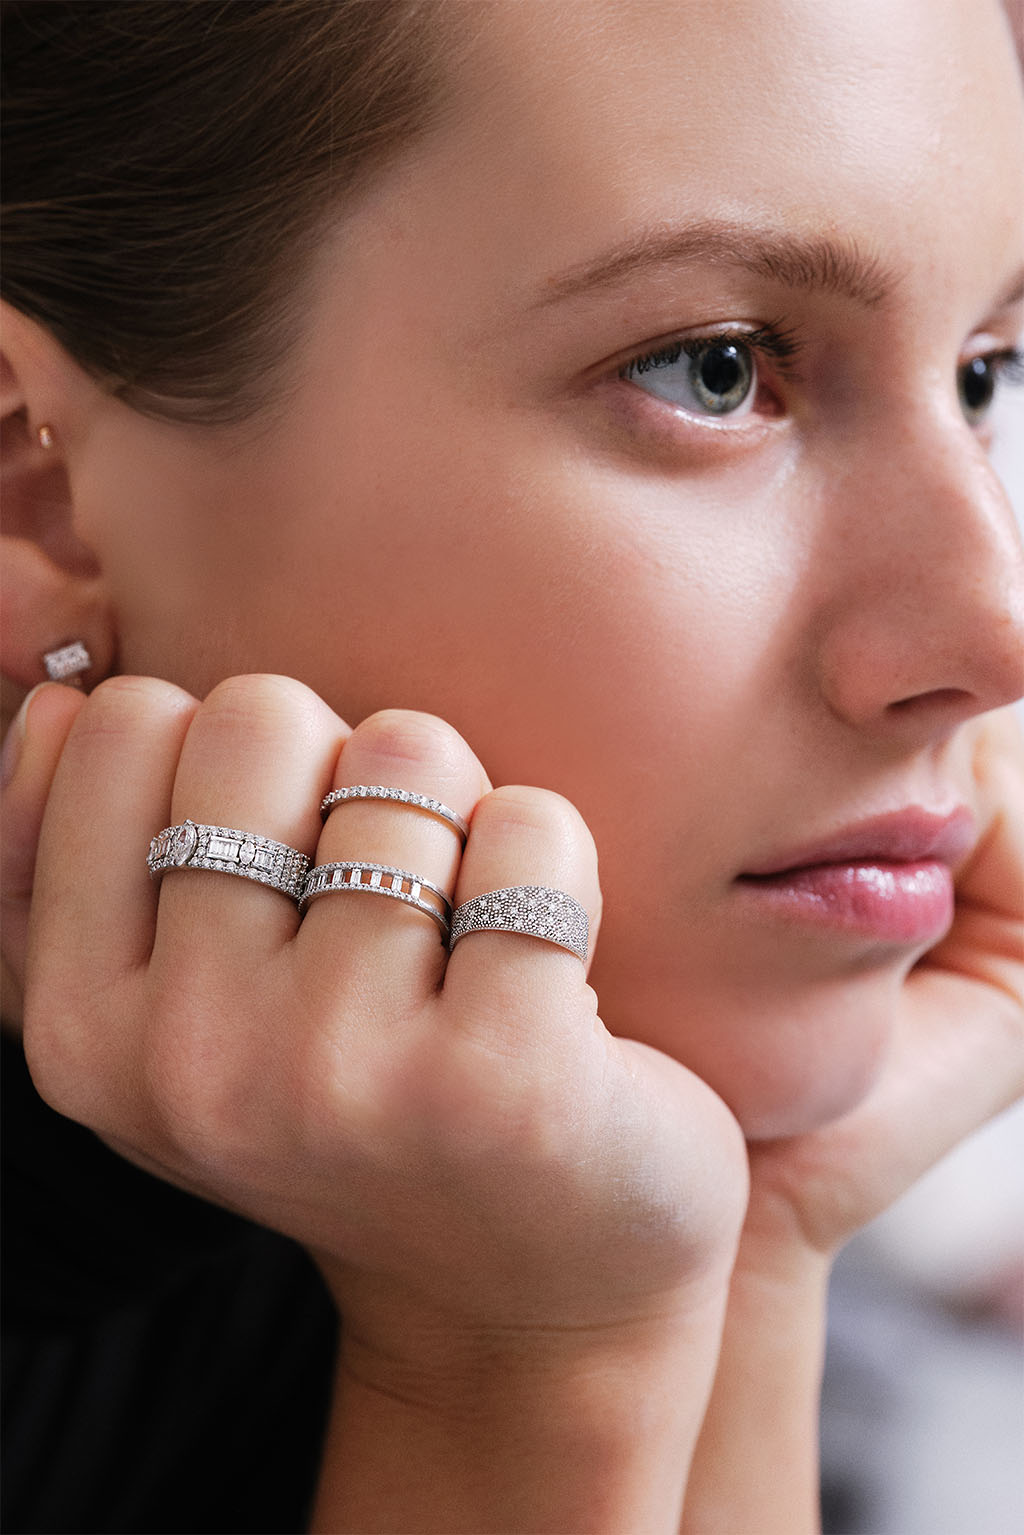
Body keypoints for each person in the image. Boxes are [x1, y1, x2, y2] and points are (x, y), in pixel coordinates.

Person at [2, 0, 1022, 1530]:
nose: (996, 633)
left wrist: (752, 1248)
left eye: (986, 373)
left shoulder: (599, 1198)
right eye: (716, 370)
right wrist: (514, 1372)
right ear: (38, 486)